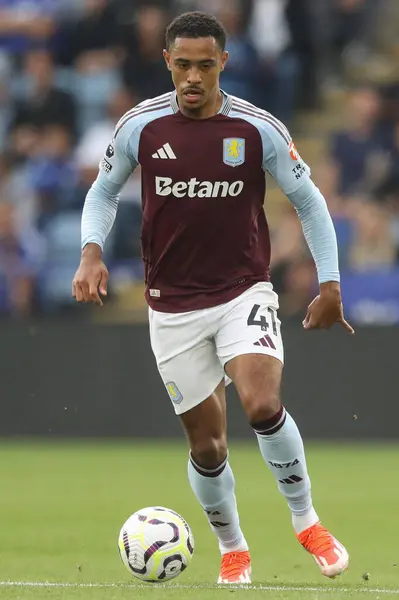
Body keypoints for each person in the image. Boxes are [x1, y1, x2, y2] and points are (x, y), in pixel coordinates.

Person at [72, 11, 353, 585]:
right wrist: (91, 252)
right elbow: (102, 192)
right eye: (183, 65)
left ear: (223, 62)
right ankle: (234, 549)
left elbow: (311, 202)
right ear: (167, 63)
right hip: (171, 306)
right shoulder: (139, 126)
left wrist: (330, 283)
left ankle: (307, 521)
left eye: (205, 65)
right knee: (208, 446)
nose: (193, 77)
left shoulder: (256, 129)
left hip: (241, 290)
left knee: (261, 405)